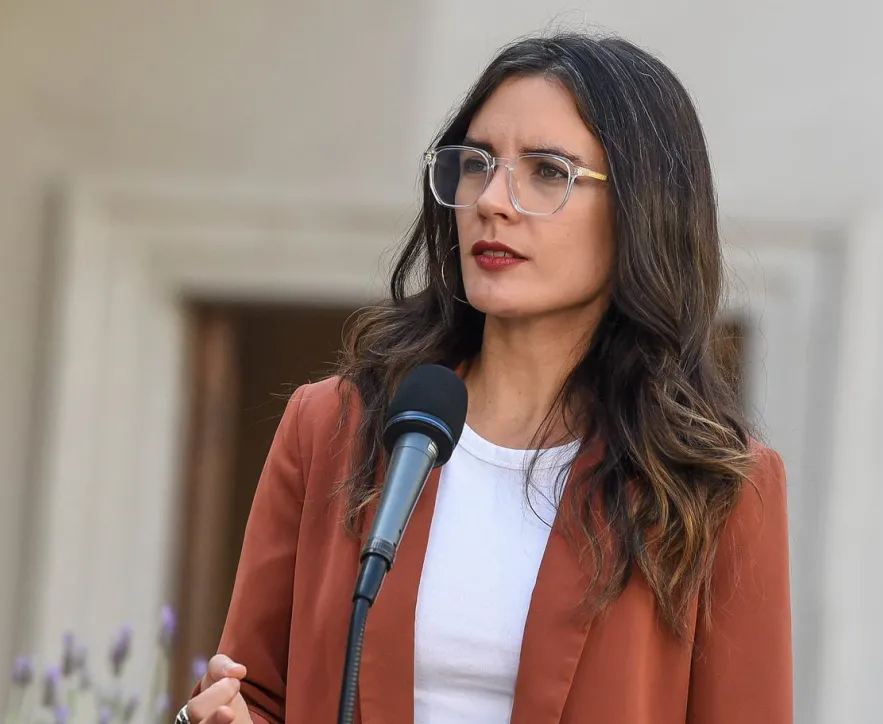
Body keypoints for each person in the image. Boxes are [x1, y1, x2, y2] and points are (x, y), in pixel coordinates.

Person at [176, 31, 791, 724]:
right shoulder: (334, 428)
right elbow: (257, 692)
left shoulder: (716, 485)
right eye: (476, 164)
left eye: (549, 171)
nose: (493, 200)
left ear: (641, 211)